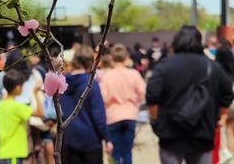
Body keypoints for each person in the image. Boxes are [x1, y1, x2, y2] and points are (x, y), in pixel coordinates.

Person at [147, 25, 234, 164]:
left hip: (170, 133)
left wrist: (155, 120)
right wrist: (219, 117)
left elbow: (152, 96)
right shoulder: (213, 67)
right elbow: (227, 95)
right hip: (202, 133)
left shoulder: (164, 67)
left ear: (176, 42)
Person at [60, 45, 112, 164]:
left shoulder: (63, 84)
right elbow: (98, 115)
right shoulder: (90, 85)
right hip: (90, 140)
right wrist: (107, 138)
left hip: (69, 138)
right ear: (91, 62)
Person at [100, 44, 146, 164]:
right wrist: (134, 103)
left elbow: (103, 98)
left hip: (112, 116)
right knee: (127, 151)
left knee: (115, 152)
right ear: (126, 57)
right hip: (130, 114)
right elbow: (142, 93)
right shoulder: (134, 74)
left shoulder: (107, 76)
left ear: (111, 57)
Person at [0, 69, 44, 164]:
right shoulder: (17, 107)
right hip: (14, 153)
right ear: (17, 88)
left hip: (2, 152)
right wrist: (36, 93)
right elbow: (41, 113)